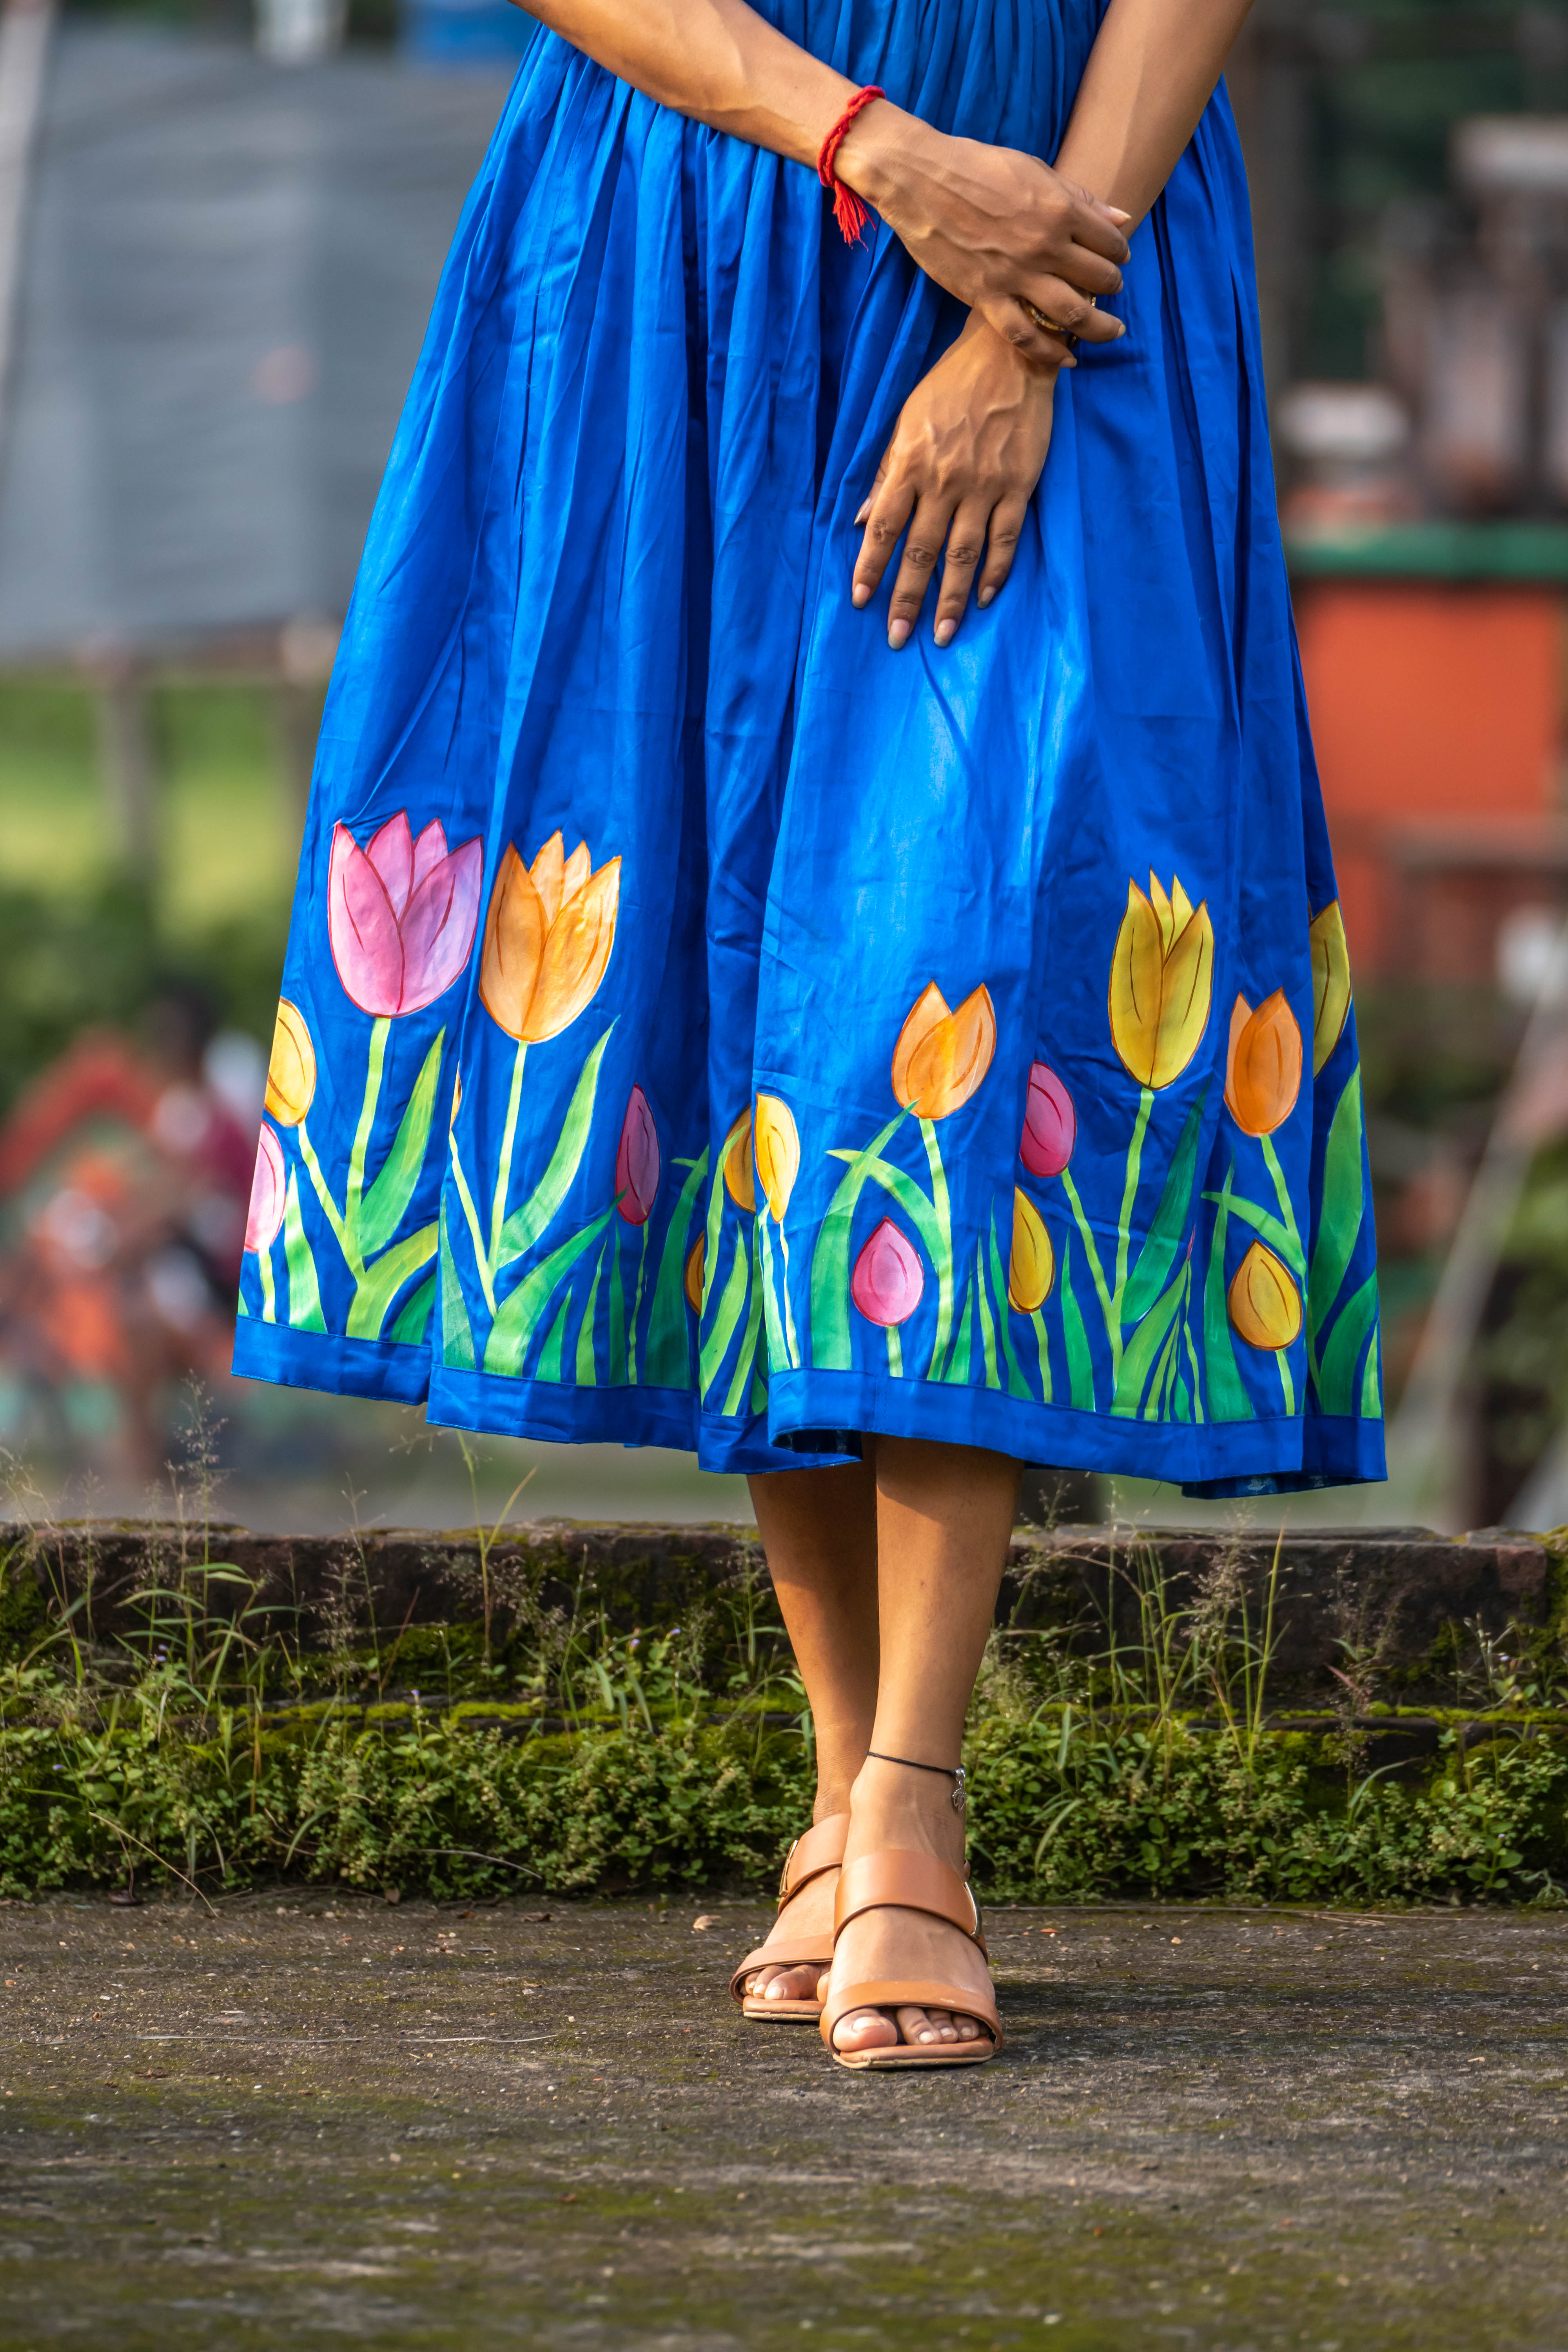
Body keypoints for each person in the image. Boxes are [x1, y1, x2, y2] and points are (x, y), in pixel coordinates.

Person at [234, 0, 1385, 2068]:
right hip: (702, 215)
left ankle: (913, 1811)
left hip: (1067, 221)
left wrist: (1028, 307)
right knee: (745, 982)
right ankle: (855, 1786)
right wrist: (870, 147)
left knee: (946, 972)